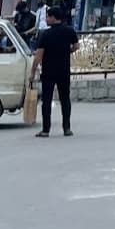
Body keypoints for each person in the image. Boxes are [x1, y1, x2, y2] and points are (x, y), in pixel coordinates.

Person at [28, 8, 79, 137]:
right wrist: (67, 51)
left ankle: (46, 130)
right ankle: (67, 128)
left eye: (48, 17)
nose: (46, 20)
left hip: (49, 71)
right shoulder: (69, 31)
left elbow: (39, 55)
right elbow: (76, 46)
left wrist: (33, 72)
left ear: (53, 17)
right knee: (65, 99)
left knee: (47, 100)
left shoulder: (45, 34)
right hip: (64, 70)